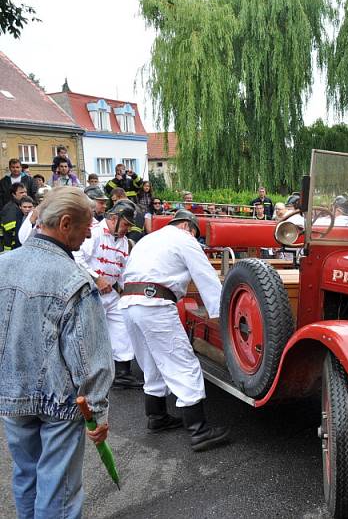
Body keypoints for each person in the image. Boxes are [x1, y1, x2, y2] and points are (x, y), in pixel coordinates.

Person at [0, 186, 112, 518]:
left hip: (12, 394)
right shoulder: (75, 278)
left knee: (27, 475)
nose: (90, 232)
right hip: (60, 400)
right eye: (86, 224)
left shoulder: (2, 264)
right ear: (65, 224)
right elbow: (90, 359)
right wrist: (98, 413)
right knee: (58, 490)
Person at [120, 209, 229, 450]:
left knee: (151, 362)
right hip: (155, 304)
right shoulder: (185, 239)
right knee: (182, 363)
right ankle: (199, 430)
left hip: (128, 303)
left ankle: (157, 417)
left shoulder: (148, 239)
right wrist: (222, 314)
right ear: (189, 228)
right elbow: (205, 275)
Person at [75, 199, 145, 390]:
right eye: (125, 225)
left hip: (111, 293)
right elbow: (78, 258)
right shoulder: (95, 232)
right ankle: (86, 377)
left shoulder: (123, 242)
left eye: (129, 226)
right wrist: (97, 279)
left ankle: (122, 373)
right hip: (89, 291)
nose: (127, 229)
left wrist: (128, 291)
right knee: (90, 333)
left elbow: (122, 270)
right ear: (114, 219)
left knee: (122, 325)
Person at [1, 183, 29, 251]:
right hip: (10, 247)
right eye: (21, 192)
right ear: (13, 194)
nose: (24, 194)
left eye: (25, 192)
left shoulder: (19, 205)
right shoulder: (11, 208)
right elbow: (11, 230)